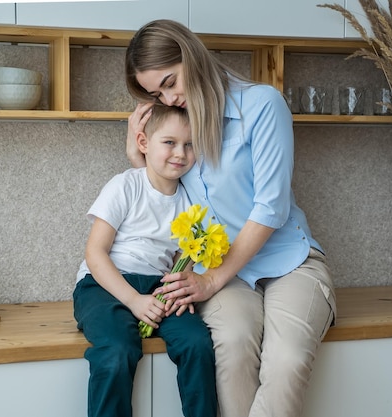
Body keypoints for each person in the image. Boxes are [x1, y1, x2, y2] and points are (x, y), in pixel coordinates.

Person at [124, 19, 337, 417]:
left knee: (287, 359)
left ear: (190, 54)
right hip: (221, 271)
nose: (169, 98)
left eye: (170, 82)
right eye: (157, 93)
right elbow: (163, 198)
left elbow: (270, 208)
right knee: (234, 350)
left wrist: (210, 280)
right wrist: (139, 156)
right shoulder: (177, 125)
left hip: (290, 263)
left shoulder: (262, 104)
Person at [73, 104, 217, 417]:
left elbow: (184, 258)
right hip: (104, 286)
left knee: (197, 343)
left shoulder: (191, 202)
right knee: (117, 350)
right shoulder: (125, 185)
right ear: (143, 144)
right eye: (170, 142)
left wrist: (176, 287)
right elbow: (95, 254)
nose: (180, 152)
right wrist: (134, 301)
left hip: (159, 288)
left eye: (189, 144)